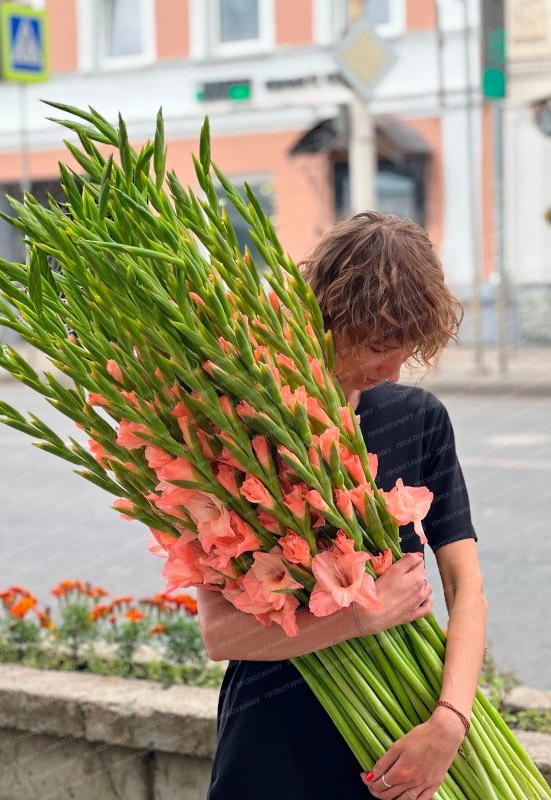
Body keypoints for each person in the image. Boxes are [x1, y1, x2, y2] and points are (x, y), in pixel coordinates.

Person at [198, 211, 488, 800]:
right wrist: (364, 616)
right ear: (329, 318)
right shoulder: (242, 422)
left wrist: (449, 723)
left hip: (401, 737)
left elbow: (466, 588)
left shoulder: (418, 418)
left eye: (407, 349)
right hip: (272, 745)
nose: (393, 369)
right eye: (379, 347)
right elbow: (220, 634)